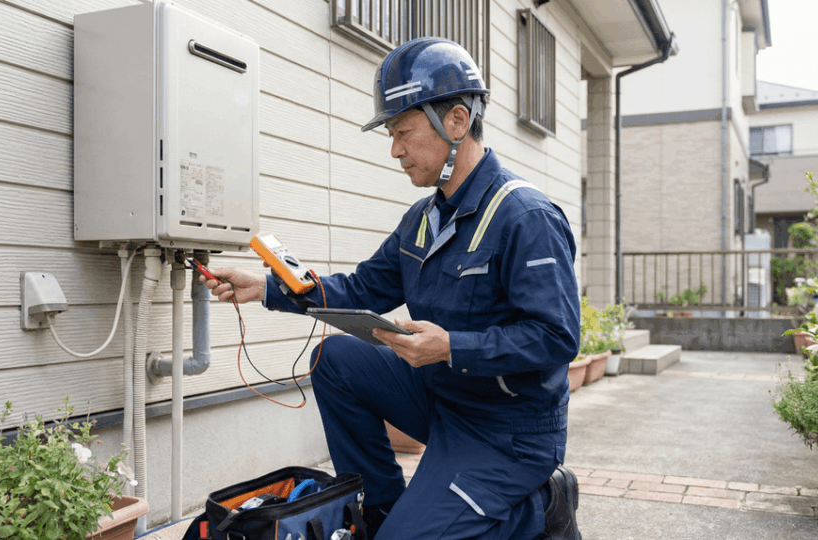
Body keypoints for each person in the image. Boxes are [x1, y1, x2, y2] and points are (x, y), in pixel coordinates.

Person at [201, 37, 582, 540]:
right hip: (443, 402)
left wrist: (450, 346)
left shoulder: (525, 217)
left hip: (507, 432)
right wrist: (264, 287)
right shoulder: (422, 219)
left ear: (457, 121)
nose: (395, 149)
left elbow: (557, 337)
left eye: (403, 131)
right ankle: (381, 508)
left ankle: (544, 503)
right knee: (335, 359)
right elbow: (362, 288)